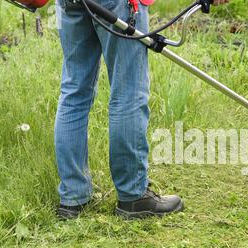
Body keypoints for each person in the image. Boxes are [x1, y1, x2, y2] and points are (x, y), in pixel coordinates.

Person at [55, 0, 230, 220]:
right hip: (118, 4)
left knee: (74, 92)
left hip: (69, 3)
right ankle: (133, 196)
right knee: (128, 92)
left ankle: (73, 198)